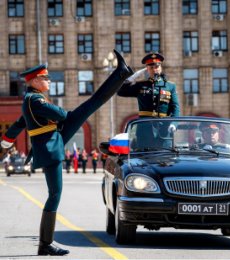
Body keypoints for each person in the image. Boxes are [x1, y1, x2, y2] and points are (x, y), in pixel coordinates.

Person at [0, 50, 133, 256]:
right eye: (46, 78)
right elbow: (61, 115)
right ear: (35, 81)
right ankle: (45, 244)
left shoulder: (29, 99)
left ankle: (121, 73)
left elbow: (19, 123)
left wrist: (6, 141)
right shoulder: (35, 100)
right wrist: (56, 117)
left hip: (53, 140)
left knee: (91, 105)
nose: (49, 81)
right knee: (54, 195)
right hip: (52, 146)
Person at [118, 52, 180, 118]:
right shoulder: (140, 85)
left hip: (163, 125)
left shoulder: (170, 86)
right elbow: (120, 92)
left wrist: (173, 124)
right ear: (147, 69)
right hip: (145, 125)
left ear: (161, 68)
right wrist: (132, 77)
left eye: (156, 67)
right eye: (151, 68)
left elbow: (175, 107)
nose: (154, 70)